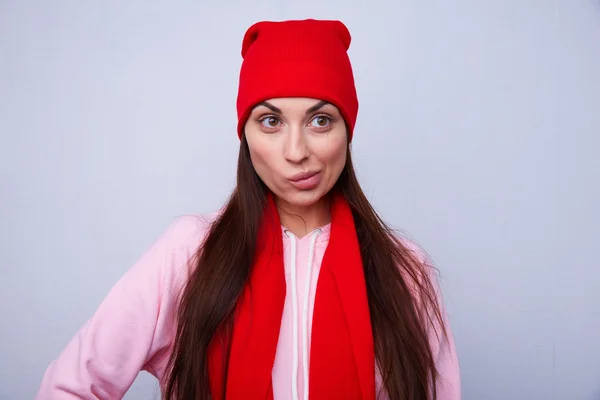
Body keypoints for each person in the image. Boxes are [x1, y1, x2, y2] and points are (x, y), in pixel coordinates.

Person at [36, 19, 461, 400]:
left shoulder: (406, 270)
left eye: (320, 120)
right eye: (271, 121)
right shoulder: (189, 252)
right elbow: (71, 387)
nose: (296, 152)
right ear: (246, 134)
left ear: (346, 130)